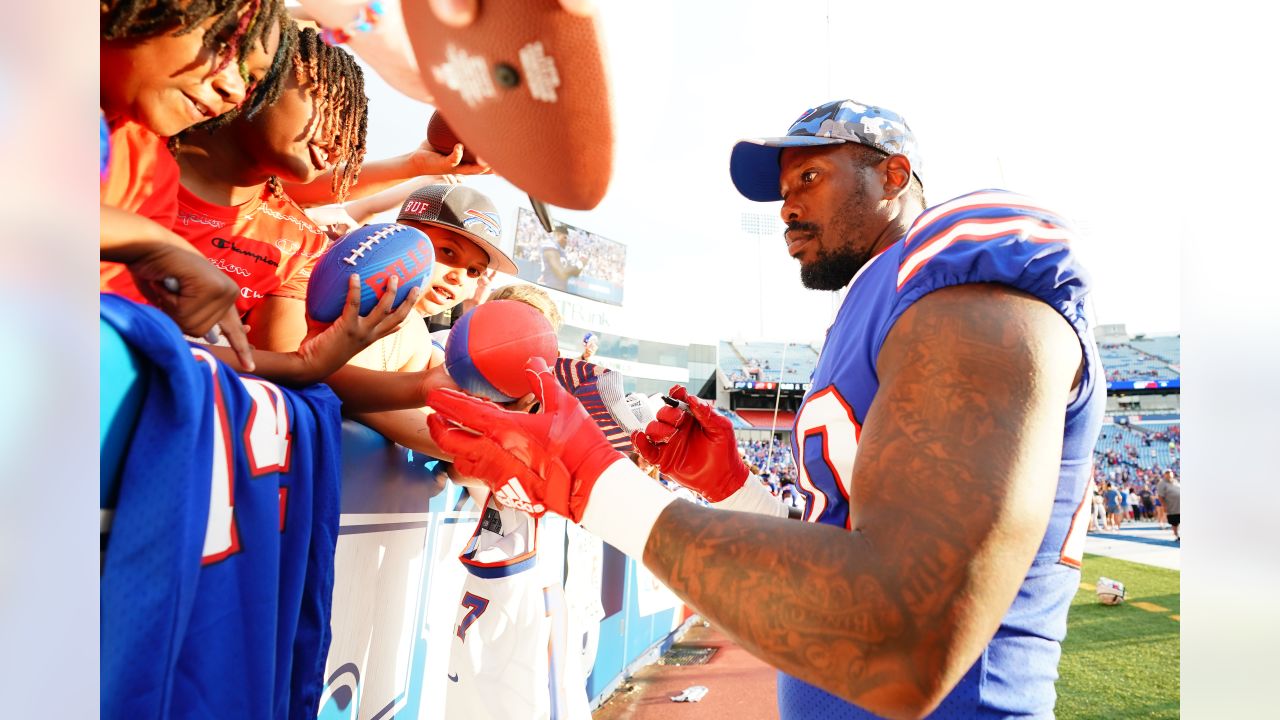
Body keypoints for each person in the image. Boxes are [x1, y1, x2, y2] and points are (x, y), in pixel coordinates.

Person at [424, 98, 1105, 719]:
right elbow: (842, 549)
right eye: (783, 191)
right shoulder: (876, 303)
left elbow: (906, 637)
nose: (786, 206)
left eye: (809, 178)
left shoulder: (966, 267)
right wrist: (732, 487)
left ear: (894, 175)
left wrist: (596, 485)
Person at [100, 0, 296, 369]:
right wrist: (152, 245)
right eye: (221, 43)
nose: (235, 89)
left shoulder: (152, 169)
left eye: (253, 79)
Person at [538, 224, 582, 291]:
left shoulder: (561, 252)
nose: (566, 241)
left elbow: (574, 273)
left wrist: (579, 266)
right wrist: (579, 264)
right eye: (565, 237)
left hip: (559, 288)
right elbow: (561, 273)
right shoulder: (550, 247)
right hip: (551, 288)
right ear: (557, 235)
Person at [1157, 470, 1181, 541]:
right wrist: (1164, 505)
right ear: (1164, 475)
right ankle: (1177, 535)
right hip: (1171, 506)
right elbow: (1160, 496)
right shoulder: (1162, 483)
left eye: (1170, 473)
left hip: (1180, 504)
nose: (1169, 475)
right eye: (1167, 473)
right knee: (1174, 521)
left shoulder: (1176, 481)